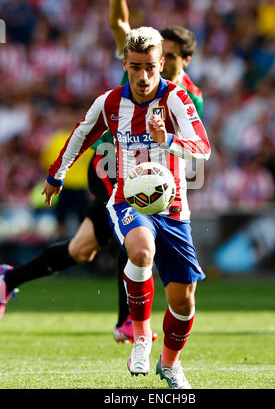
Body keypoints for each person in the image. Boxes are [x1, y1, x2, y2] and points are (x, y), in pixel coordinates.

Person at [41, 27, 211, 389]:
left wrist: (169, 140)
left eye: (150, 66)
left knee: (182, 303)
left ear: (162, 64)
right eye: (135, 67)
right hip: (127, 201)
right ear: (125, 64)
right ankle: (140, 337)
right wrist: (57, 174)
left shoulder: (178, 99)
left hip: (174, 208)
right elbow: (81, 133)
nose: (143, 76)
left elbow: (202, 148)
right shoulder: (110, 102)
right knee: (141, 250)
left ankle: (169, 364)